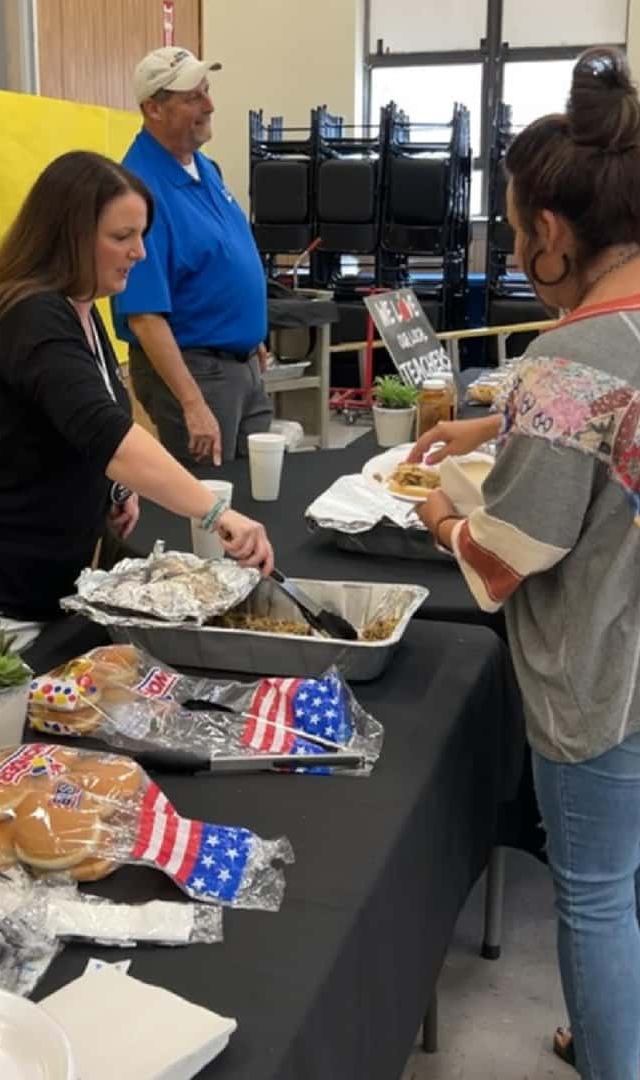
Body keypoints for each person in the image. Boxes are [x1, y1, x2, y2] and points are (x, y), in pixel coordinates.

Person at [409, 48, 640, 1080]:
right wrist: (489, 423)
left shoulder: (568, 360)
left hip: (602, 677)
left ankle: (608, 1057)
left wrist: (433, 516)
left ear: (550, 231)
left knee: (593, 892)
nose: (512, 248)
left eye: (512, 230)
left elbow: (509, 554)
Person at [0, 150, 274, 713]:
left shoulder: (83, 311)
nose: (140, 252)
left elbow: (71, 423)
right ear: (71, 236)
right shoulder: (31, 316)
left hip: (37, 589)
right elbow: (107, 434)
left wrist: (111, 491)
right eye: (123, 236)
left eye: (142, 234)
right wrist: (215, 513)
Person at [111, 47, 272, 467]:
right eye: (192, 98)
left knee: (257, 499)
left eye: (207, 91)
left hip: (240, 367)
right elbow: (144, 315)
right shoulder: (139, 189)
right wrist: (193, 403)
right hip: (198, 373)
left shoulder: (204, 168)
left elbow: (219, 262)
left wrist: (249, 334)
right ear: (153, 109)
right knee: (211, 510)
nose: (210, 105)